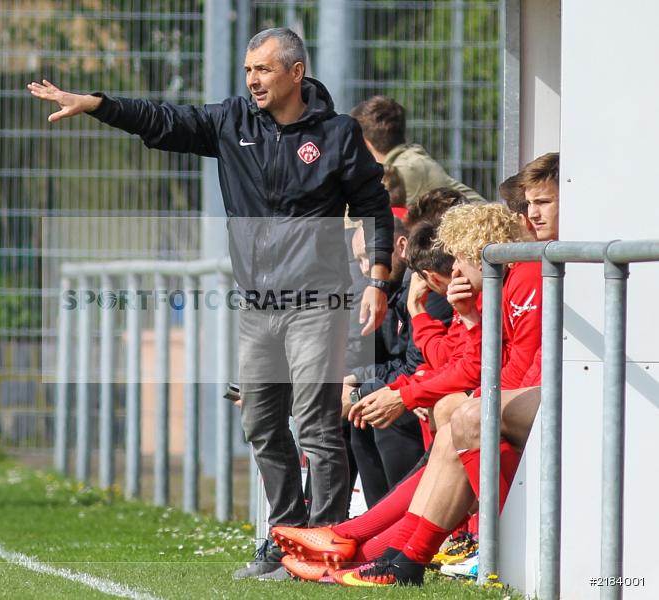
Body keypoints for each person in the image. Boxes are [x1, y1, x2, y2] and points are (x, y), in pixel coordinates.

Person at [28, 27, 394, 580]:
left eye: (264, 70)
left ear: (296, 72)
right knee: (262, 423)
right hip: (258, 306)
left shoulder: (338, 134)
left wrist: (378, 279)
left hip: (319, 301)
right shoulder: (231, 122)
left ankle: (322, 546)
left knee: (317, 426)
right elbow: (163, 119)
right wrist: (96, 105)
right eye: (248, 70)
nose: (252, 81)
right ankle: (284, 535)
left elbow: (374, 204)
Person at [272, 190, 555, 586]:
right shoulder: (486, 287)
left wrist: (408, 383)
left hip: (551, 403)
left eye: (459, 257)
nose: (454, 268)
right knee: (450, 414)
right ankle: (372, 553)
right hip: (517, 396)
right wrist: (464, 322)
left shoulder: (522, 276)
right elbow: (460, 361)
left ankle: (386, 546)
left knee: (462, 413)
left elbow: (487, 368)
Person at [343, 217, 451, 507]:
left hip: (440, 389)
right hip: (415, 384)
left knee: (378, 413)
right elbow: (371, 356)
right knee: (353, 413)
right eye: (360, 260)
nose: (366, 269)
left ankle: (395, 532)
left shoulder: (424, 287)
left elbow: (417, 365)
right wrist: (354, 380)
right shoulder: (385, 290)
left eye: (371, 256)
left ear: (401, 245)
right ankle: (358, 528)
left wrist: (358, 387)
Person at [351, 96, 485, 206]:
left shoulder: (406, 170)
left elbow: (367, 222)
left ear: (364, 141)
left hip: (483, 234)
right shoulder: (406, 162)